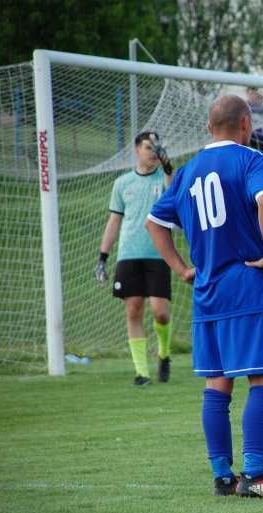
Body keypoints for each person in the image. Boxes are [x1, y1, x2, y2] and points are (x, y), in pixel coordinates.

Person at [145, 95, 263, 499]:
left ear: (210, 128)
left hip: (207, 293)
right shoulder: (251, 160)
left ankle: (222, 476)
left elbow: (154, 223)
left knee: (217, 385)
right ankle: (255, 476)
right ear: (246, 124)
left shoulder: (188, 172)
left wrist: (182, 269)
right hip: (247, 285)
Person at [95, 131, 175, 386]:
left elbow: (174, 196)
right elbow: (115, 220)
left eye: (156, 147)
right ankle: (142, 372)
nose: (153, 151)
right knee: (133, 309)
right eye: (148, 147)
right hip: (129, 254)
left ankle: (164, 353)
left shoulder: (164, 178)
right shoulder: (122, 183)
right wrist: (102, 257)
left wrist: (169, 168)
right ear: (137, 150)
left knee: (160, 313)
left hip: (158, 253)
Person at [246, 87, 263, 155]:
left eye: (254, 94)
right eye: (251, 94)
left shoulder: (262, 107)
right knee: (251, 154)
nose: (253, 96)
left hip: (261, 135)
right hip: (250, 135)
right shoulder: (244, 105)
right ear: (247, 94)